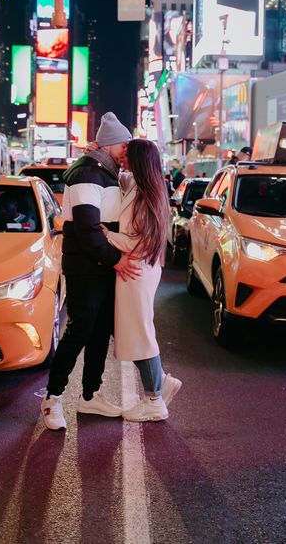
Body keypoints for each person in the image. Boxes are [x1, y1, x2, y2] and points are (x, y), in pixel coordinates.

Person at [41, 112, 141, 431]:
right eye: (123, 144)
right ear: (110, 145)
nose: (126, 149)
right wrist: (116, 259)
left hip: (99, 265)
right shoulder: (87, 172)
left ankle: (90, 395)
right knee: (80, 330)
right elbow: (86, 228)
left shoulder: (107, 172)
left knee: (98, 331)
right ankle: (53, 398)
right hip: (86, 267)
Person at [102, 139, 182, 422]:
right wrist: (100, 150)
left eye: (128, 153)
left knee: (140, 332)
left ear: (138, 160)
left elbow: (140, 243)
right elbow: (112, 171)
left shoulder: (148, 193)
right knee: (133, 329)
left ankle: (154, 400)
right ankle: (160, 383)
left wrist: (106, 235)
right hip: (138, 268)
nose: (122, 157)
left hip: (137, 268)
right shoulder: (140, 184)